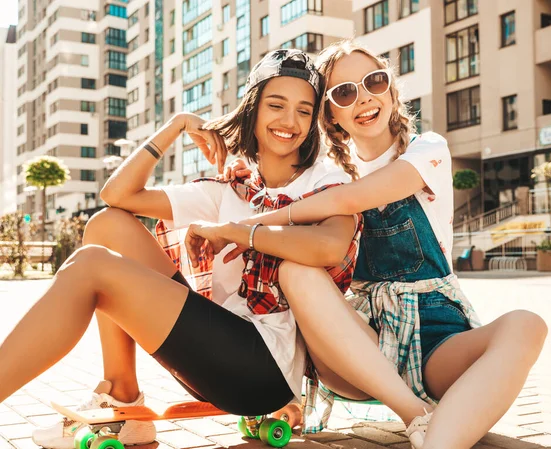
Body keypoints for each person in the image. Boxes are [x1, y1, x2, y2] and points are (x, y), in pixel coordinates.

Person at [193, 40, 548, 449]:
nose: (363, 97)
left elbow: (345, 201)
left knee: (527, 324)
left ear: (391, 89)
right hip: (358, 347)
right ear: (331, 114)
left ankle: (436, 439)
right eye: (344, 92)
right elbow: (278, 189)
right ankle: (416, 416)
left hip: (437, 340)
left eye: (374, 82)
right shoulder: (326, 175)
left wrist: (242, 227)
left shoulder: (427, 151)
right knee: (296, 270)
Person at [0, 49, 361, 449]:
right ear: (253, 109)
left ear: (313, 123)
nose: (289, 122)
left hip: (264, 371)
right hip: (211, 349)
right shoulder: (231, 185)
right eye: (276, 105)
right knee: (107, 226)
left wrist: (235, 231)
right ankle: (122, 398)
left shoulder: (324, 180)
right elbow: (117, 194)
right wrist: (177, 125)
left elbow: (331, 246)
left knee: (91, 268)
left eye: (304, 111)